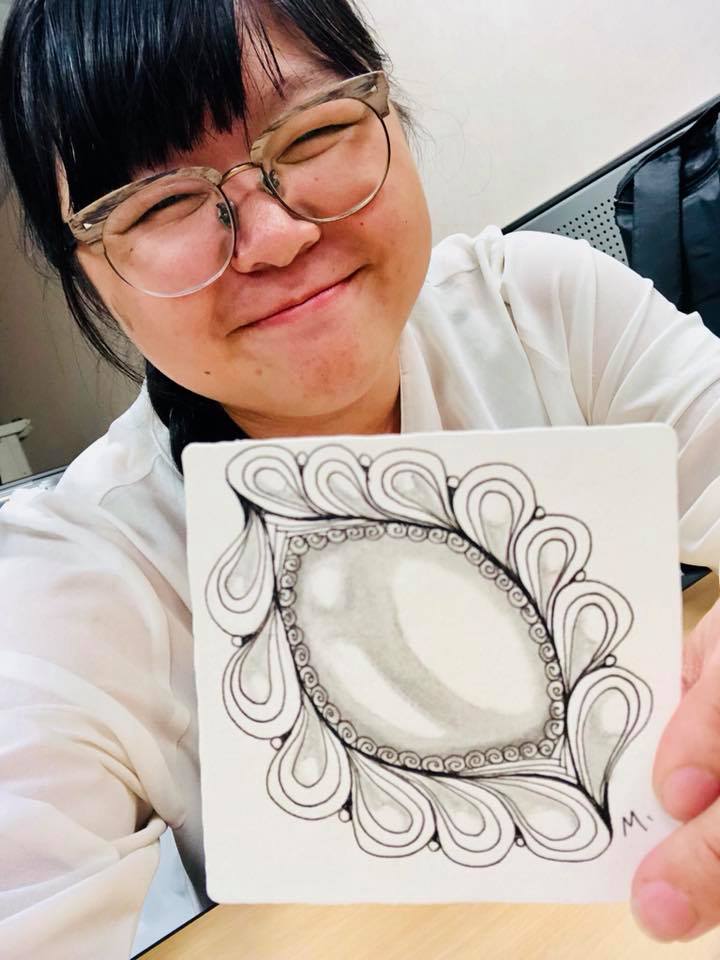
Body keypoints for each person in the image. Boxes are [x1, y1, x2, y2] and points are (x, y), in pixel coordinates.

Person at [1, 0, 720, 956]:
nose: (273, 236)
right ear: (93, 280)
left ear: (390, 117)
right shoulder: (71, 583)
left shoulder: (542, 311)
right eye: (160, 204)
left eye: (314, 131)